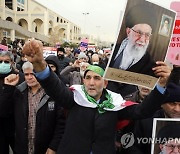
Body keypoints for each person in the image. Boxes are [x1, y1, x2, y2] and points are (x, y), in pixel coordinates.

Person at [21, 39, 171, 154]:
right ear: (83, 80)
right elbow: (54, 87)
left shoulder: (115, 103)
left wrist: (161, 86)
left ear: (105, 83)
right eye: (88, 78)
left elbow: (143, 110)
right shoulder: (74, 97)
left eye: (97, 78)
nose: (91, 82)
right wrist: (39, 63)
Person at [3, 61, 66, 154]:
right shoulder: (18, 92)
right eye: (26, 74)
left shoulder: (52, 93)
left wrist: (53, 146)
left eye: (32, 73)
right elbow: (4, 112)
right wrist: (8, 88)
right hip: (22, 148)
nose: (29, 77)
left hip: (45, 149)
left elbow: (61, 123)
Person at [129, 82, 180, 154]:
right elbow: (133, 147)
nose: (177, 109)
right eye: (172, 104)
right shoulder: (145, 121)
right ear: (162, 104)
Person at [0, 50, 24, 154]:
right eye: (1, 61)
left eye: (6, 62)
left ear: (12, 63)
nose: (3, 64)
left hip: (16, 127)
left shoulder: (20, 78)